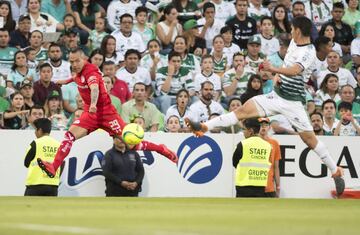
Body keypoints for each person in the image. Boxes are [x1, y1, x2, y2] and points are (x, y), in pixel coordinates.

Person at [185, 16, 345, 196]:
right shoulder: (294, 43)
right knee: (243, 110)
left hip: (293, 102)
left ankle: (335, 170)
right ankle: (204, 126)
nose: (291, 31)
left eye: (293, 29)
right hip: (276, 95)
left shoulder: (308, 52)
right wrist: (277, 77)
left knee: (309, 140)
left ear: (298, 30)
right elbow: (287, 65)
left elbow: (295, 71)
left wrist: (274, 70)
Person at [37, 48, 178, 179]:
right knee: (69, 136)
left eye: (77, 61)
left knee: (131, 144)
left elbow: (94, 89)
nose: (74, 64)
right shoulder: (78, 72)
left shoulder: (91, 72)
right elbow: (77, 79)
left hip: (106, 113)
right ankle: (53, 167)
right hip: (90, 114)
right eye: (72, 61)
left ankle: (161, 149)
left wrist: (92, 104)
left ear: (84, 59)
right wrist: (65, 81)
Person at [232, 118, 272, 197]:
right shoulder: (268, 146)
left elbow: (234, 162)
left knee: (241, 209)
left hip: (243, 185)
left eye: (244, 129)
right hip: (260, 185)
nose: (243, 132)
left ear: (251, 131)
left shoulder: (242, 144)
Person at [24, 118, 60, 196]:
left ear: (39, 130)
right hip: (53, 185)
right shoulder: (58, 144)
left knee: (28, 207)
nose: (35, 132)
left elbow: (26, 163)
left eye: (35, 130)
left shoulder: (35, 143)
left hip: (35, 185)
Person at [259, 117, 281, 197]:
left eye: (265, 125)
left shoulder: (274, 143)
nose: (263, 127)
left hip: (269, 187)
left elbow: (276, 167)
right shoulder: (252, 142)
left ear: (269, 127)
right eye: (261, 125)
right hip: (255, 186)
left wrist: (278, 186)